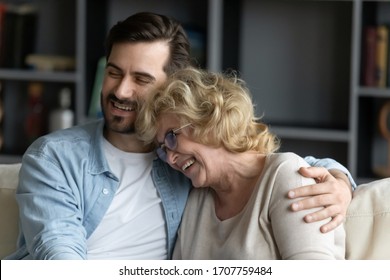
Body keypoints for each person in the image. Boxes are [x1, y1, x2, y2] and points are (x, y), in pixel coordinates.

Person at [5, 12, 352, 260]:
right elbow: (57, 250)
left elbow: (272, 169)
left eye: (141, 79)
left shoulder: (186, 167)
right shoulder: (55, 156)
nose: (121, 91)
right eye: (113, 72)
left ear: (172, 87)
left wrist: (339, 181)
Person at [136, 67, 346, 259]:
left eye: (172, 137)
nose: (171, 159)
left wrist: (343, 181)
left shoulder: (285, 175)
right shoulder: (196, 202)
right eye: (164, 149)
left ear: (209, 119)